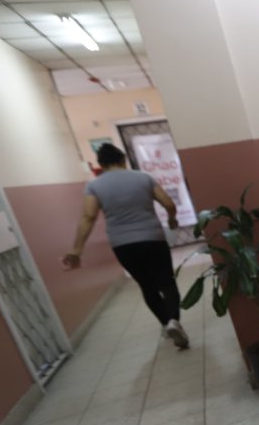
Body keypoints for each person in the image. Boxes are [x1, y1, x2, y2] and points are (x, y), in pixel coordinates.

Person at [63, 143, 189, 348]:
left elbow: (88, 216)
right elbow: (168, 204)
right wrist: (172, 220)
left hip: (123, 244)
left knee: (147, 286)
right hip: (153, 238)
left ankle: (166, 323)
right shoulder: (143, 178)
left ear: (101, 165)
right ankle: (174, 321)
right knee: (167, 282)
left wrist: (76, 249)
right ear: (123, 159)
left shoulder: (94, 186)